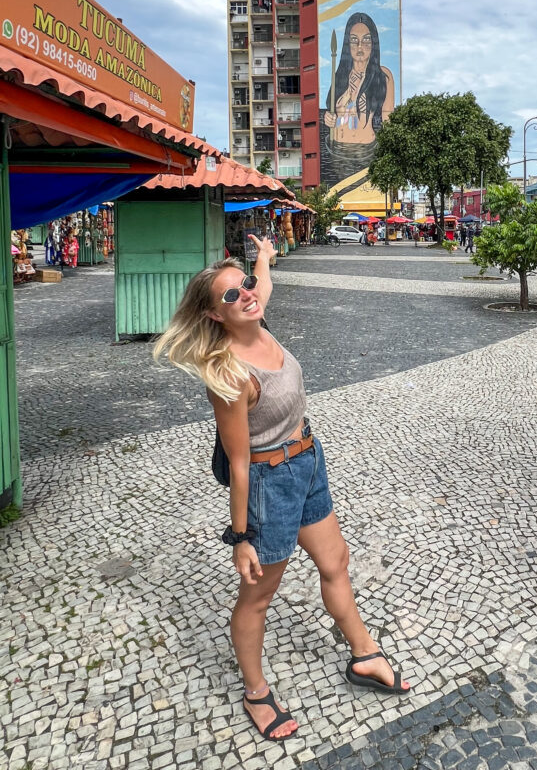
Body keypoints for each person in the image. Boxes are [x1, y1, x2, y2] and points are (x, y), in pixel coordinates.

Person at [153, 237, 409, 743]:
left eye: (245, 286)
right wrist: (240, 538)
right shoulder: (230, 373)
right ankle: (255, 692)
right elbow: (239, 462)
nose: (247, 295)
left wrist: (263, 260)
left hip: (309, 462)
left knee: (336, 561)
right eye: (231, 295)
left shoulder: (258, 319)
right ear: (215, 315)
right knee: (258, 597)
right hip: (270, 481)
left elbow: (262, 287)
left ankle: (364, 654)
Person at [323, 13, 395, 147]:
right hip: (337, 147)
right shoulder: (340, 75)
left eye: (366, 39)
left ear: (373, 43)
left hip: (366, 148)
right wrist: (328, 118)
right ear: (347, 43)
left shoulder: (383, 75)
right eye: (354, 40)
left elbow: (388, 119)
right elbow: (331, 110)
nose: (360, 46)